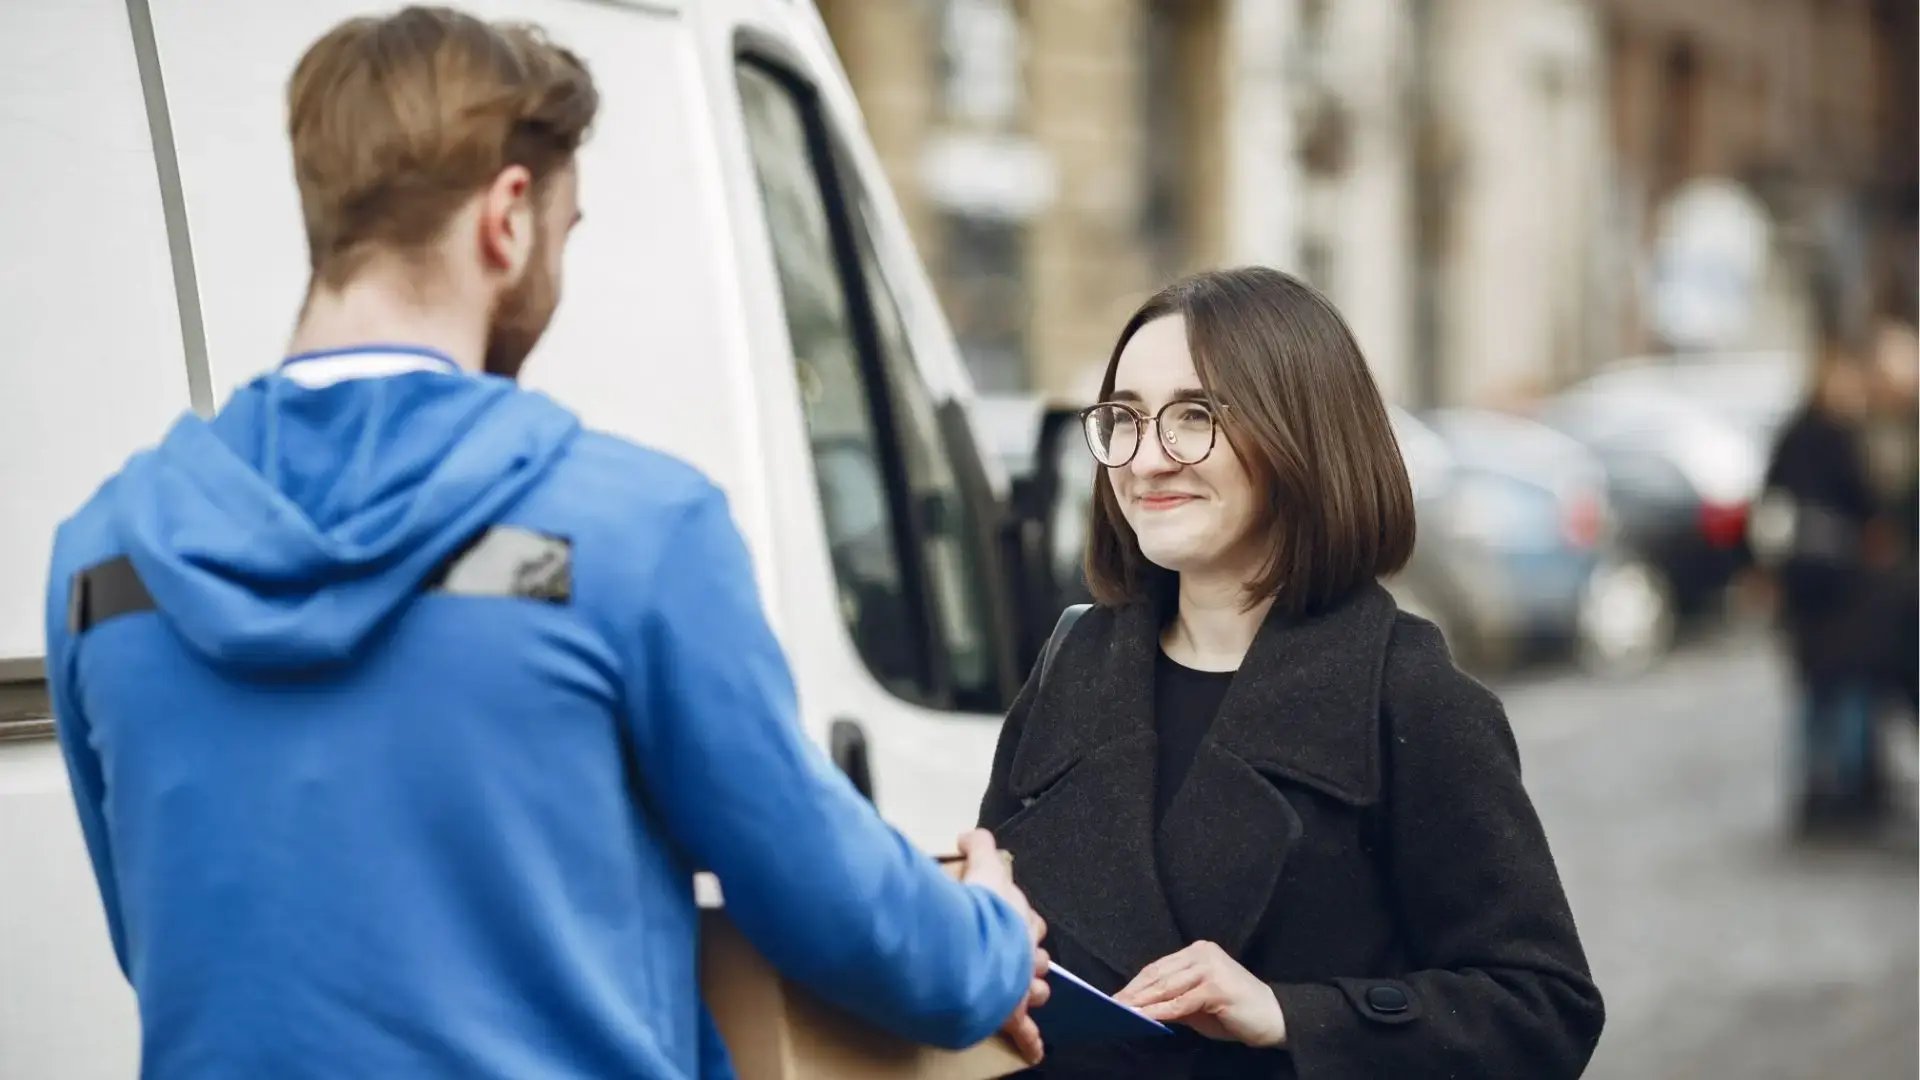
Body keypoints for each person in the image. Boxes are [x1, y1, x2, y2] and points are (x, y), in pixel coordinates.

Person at [43, 9, 1045, 1078]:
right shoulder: (634, 529)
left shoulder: (106, 562)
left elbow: (154, 942)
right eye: (567, 233)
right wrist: (984, 937)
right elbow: (822, 895)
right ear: (508, 218)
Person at [979, 267, 1604, 1078]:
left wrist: (1288, 1014)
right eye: (1124, 420)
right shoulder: (1072, 667)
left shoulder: (1409, 694)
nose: (1146, 460)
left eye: (1194, 416)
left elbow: (1544, 1010)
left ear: (1298, 435)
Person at [1755, 334, 1893, 829]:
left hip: (1814, 587)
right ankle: (1837, 792)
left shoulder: (1800, 434)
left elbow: (1770, 506)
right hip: (1831, 588)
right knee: (1837, 689)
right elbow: (1866, 506)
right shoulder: (1836, 436)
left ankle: (1824, 789)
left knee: (1826, 691)